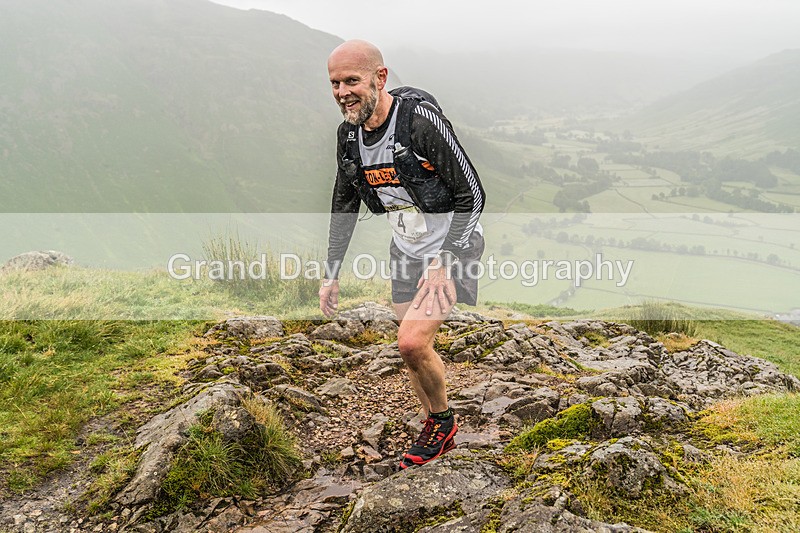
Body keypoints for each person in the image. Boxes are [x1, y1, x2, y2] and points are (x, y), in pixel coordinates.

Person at [319, 40, 486, 469]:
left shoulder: (418, 124)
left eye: (351, 81)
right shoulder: (348, 136)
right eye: (335, 83)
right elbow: (343, 203)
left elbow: (472, 193)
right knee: (410, 351)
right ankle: (434, 425)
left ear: (380, 77)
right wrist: (331, 272)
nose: (342, 93)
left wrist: (445, 260)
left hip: (454, 244)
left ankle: (443, 422)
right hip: (406, 248)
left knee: (411, 342)